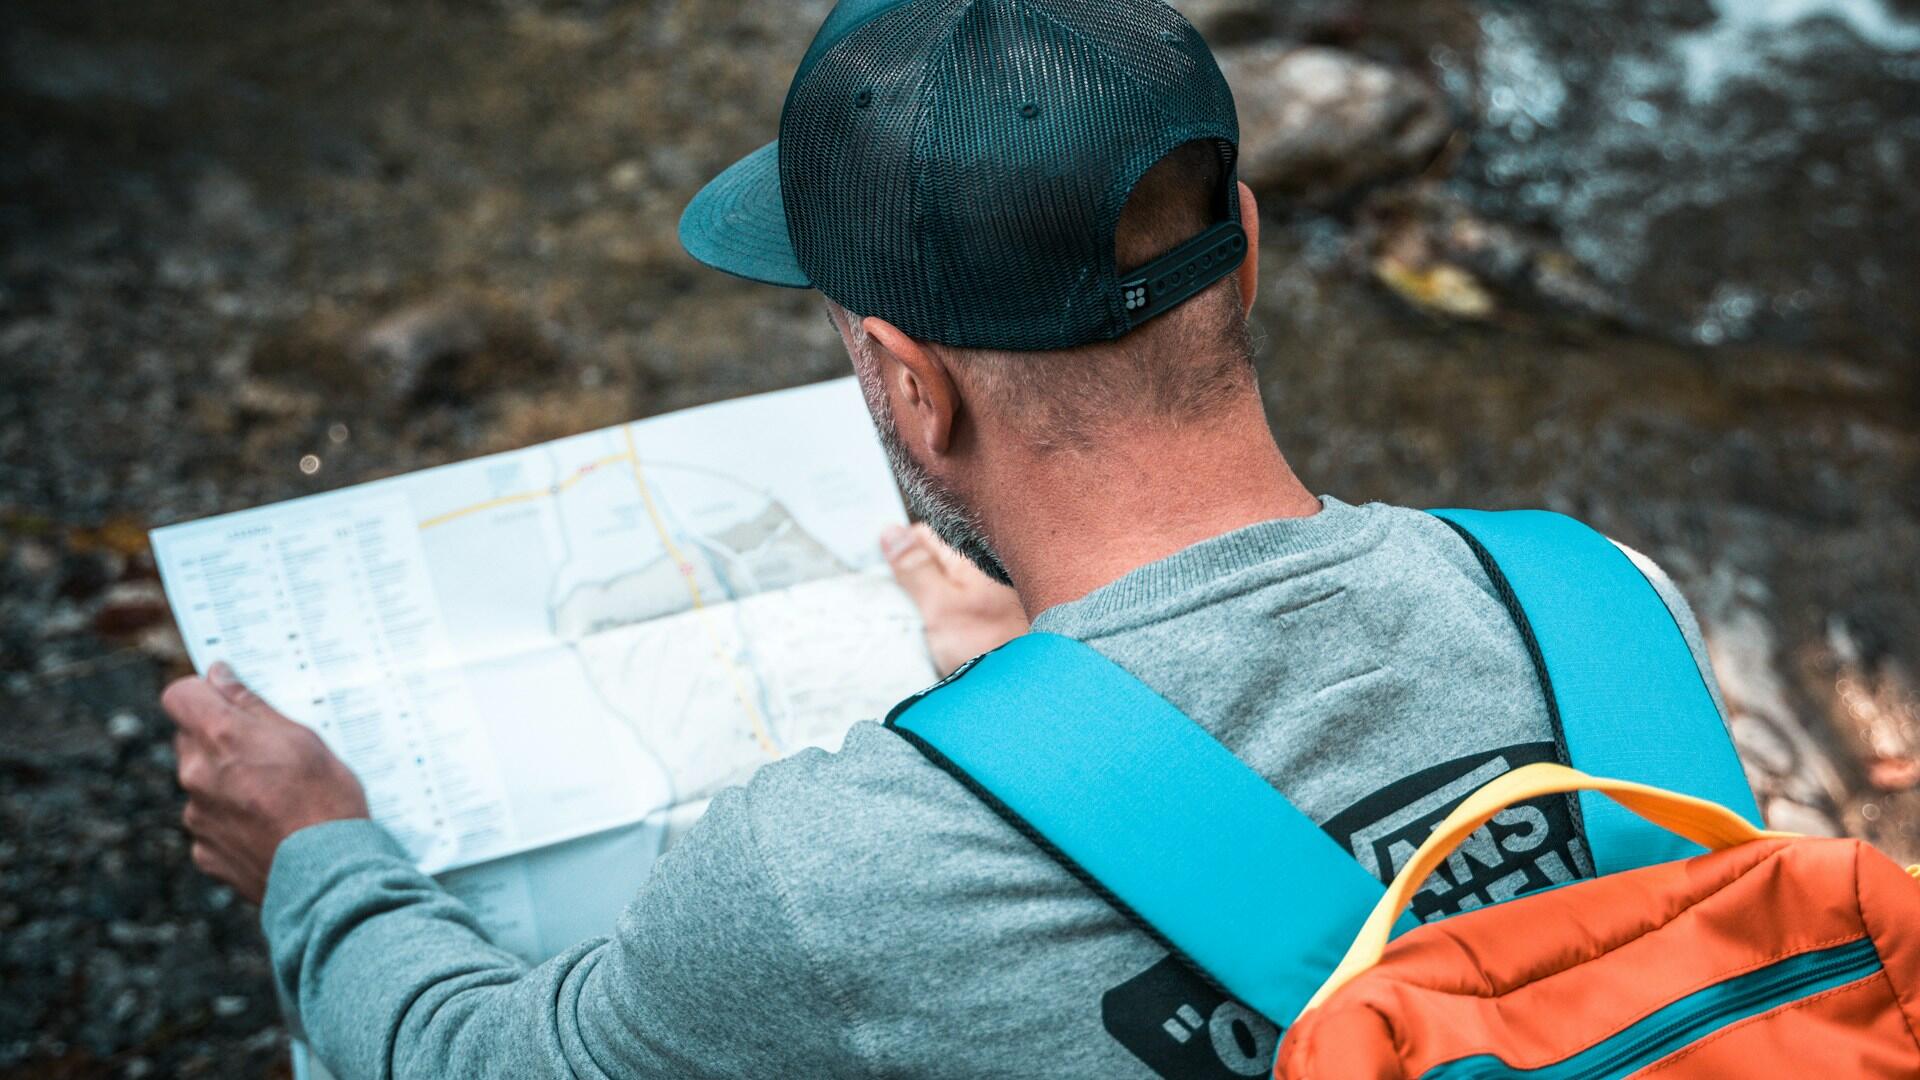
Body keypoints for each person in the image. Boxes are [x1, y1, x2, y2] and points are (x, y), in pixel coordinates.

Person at [161, 1, 1742, 1076]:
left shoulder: (833, 877)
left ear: (913, 387)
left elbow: (463, 1054)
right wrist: (1055, 704)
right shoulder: (1602, 605)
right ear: (1247, 251)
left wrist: (313, 854)